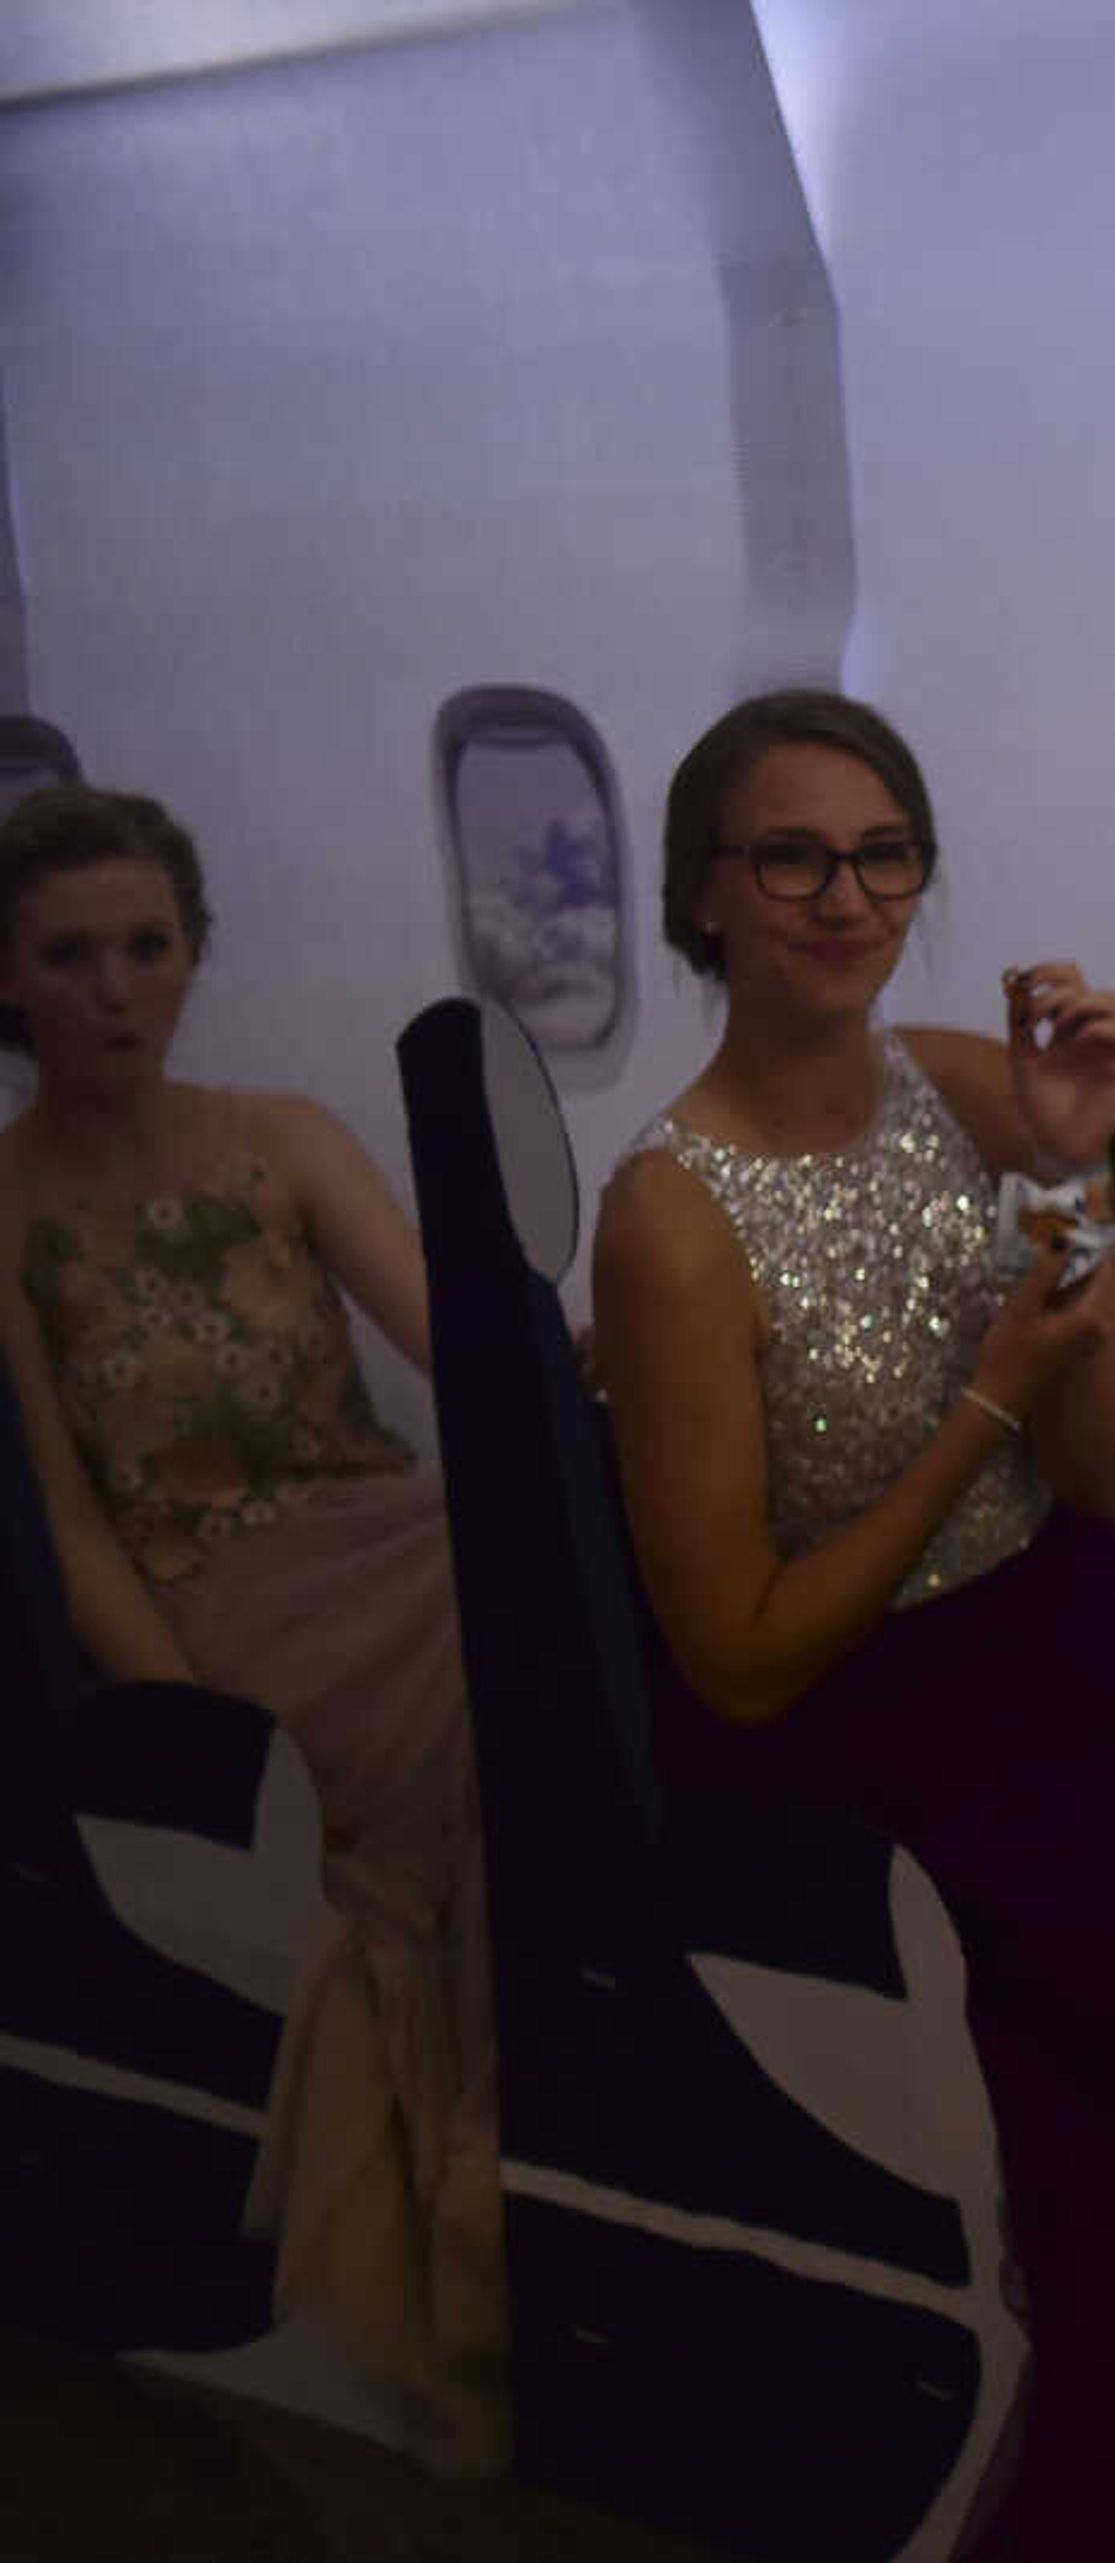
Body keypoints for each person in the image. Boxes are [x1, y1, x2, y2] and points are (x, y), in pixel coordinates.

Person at [592, 690, 1115, 2559]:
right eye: (789, 856)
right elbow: (736, 1651)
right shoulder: (670, 1217)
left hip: (1063, 1608)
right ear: (703, 896)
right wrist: (977, 1404)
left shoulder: (968, 1088)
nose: (842, 895)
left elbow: (1108, 1476)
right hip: (854, 1696)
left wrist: (1075, 1171)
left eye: (883, 855)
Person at [0, 784, 506, 2473]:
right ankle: (482, 2139)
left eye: (149, 947)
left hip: (386, 1527)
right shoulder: (1, 1216)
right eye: (70, 957)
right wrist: (219, 1739)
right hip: (223, 1603)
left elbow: (469, 1362)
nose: (117, 989)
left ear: (196, 954)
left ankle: (535, 2123)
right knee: (497, 1644)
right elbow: (68, 1520)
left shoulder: (284, 1138)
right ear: (9, 978)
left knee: (533, 1577)